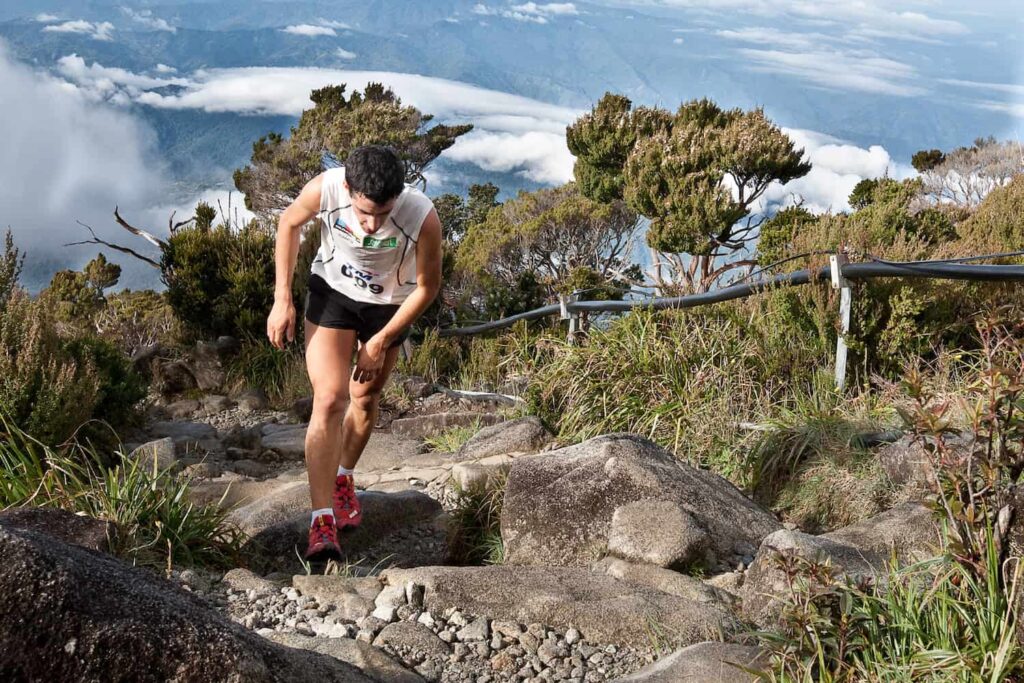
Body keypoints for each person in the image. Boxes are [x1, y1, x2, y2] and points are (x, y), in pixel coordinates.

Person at [266, 145, 442, 562]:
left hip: (388, 308)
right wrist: (282, 297)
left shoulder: (421, 215)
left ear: (398, 196)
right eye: (364, 212)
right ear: (348, 187)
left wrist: (380, 341)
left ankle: (343, 476)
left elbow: (427, 288)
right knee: (329, 399)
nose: (370, 224)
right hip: (333, 295)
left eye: (382, 215)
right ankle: (321, 521)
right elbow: (289, 224)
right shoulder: (326, 189)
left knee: (364, 399)